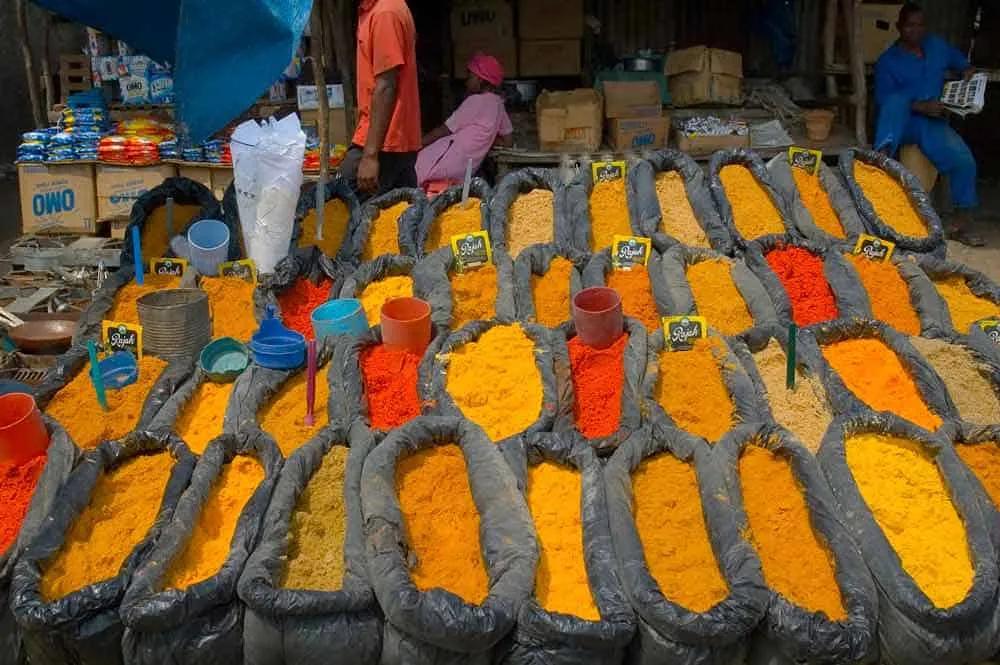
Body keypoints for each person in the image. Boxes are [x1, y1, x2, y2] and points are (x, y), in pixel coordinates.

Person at [874, 2, 983, 246]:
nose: (916, 30)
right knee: (895, 101)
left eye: (920, 25)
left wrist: (967, 72)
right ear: (898, 27)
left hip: (930, 123)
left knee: (963, 160)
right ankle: (880, 160)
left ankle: (961, 222)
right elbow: (883, 101)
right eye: (910, 25)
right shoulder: (888, 61)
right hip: (902, 122)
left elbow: (962, 63)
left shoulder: (936, 47)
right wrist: (918, 105)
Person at [339, 0, 421, 198]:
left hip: (385, 141)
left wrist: (370, 156)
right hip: (390, 138)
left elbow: (386, 86)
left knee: (350, 206)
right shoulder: (378, 9)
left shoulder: (386, 13)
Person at [415, 53, 513, 188]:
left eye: (470, 76)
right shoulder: (499, 105)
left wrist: (418, 145)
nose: (466, 81)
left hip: (450, 158)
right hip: (465, 168)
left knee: (417, 168)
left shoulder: (474, 101)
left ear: (480, 79)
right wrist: (487, 138)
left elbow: (444, 130)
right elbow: (507, 142)